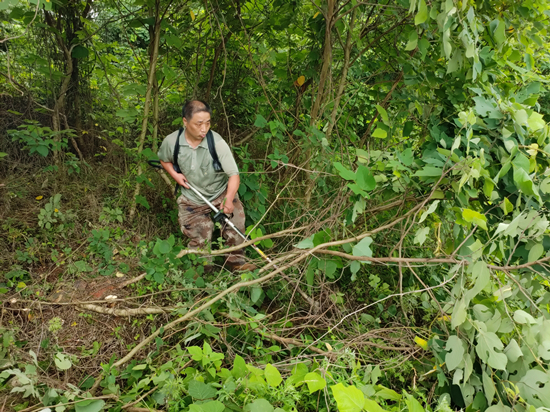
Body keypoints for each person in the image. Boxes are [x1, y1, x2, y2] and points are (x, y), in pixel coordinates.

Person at [157, 100, 256, 272]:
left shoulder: (217, 143)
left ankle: (236, 263)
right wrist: (175, 175)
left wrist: (229, 199)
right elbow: (164, 160)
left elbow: (234, 175)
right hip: (192, 197)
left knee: (237, 224)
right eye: (199, 124)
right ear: (185, 122)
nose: (204, 129)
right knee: (201, 233)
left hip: (220, 193)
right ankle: (203, 271)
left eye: (208, 123)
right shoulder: (172, 142)